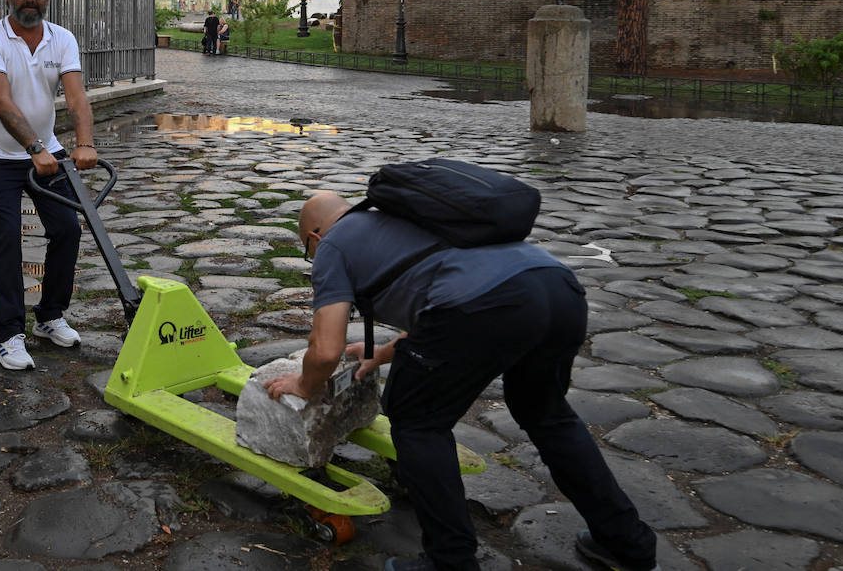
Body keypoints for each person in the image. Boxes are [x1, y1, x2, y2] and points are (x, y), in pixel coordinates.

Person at [266, 191, 659, 571]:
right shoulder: (398, 222)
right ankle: (625, 542)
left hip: (487, 304)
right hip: (557, 288)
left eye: (307, 249)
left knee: (417, 421)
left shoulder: (333, 245)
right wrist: (382, 354)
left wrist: (303, 385)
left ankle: (449, 561)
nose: (313, 257)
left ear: (315, 235)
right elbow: (446, 303)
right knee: (548, 416)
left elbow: (324, 351)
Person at [0, 0, 98, 370]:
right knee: (6, 237)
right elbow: (2, 102)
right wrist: (33, 146)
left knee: (66, 227)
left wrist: (84, 143)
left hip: (48, 149)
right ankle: (7, 335)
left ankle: (49, 315)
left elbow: (76, 96)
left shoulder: (62, 39)